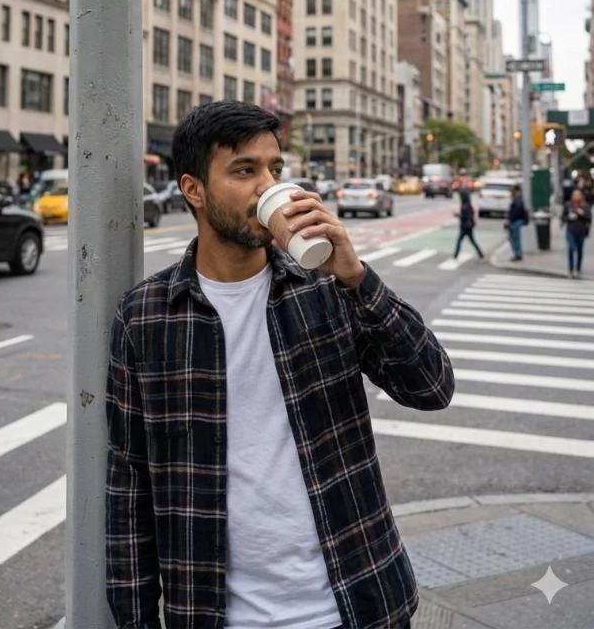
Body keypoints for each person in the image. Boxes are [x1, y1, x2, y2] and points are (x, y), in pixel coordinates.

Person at [106, 101, 455, 629]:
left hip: (356, 602)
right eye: (245, 171)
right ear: (194, 189)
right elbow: (131, 485)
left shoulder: (329, 287)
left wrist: (357, 277)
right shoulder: (147, 316)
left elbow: (432, 386)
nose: (268, 186)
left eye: (275, 170)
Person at [562, 188, 592, 278]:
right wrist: (568, 217)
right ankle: (570, 269)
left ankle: (578, 269)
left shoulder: (585, 206)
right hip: (570, 230)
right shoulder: (568, 205)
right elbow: (563, 217)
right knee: (571, 248)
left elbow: (589, 218)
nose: (576, 197)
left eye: (578, 195)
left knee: (579, 250)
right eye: (574, 195)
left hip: (581, 231)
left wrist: (582, 213)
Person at [453, 189, 484, 261]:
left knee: (460, 241)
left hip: (465, 226)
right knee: (471, 241)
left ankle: (455, 256)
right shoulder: (467, 205)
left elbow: (466, 216)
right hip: (468, 226)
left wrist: (458, 215)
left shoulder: (466, 206)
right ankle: (481, 255)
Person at [507, 184, 529, 262]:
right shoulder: (517, 198)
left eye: (512, 190)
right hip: (516, 220)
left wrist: (511, 220)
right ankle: (517, 254)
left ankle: (518, 254)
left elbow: (517, 211)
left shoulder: (518, 199)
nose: (510, 191)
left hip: (517, 221)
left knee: (515, 238)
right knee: (513, 238)